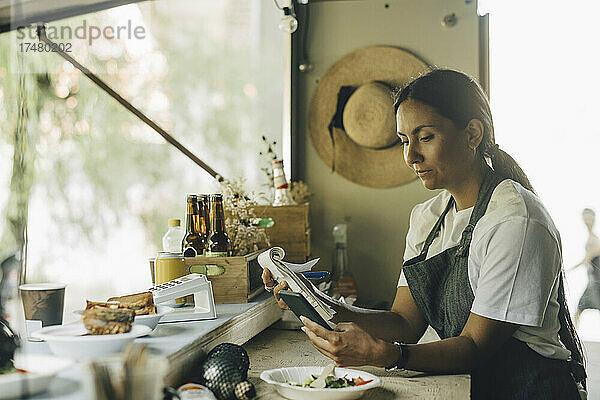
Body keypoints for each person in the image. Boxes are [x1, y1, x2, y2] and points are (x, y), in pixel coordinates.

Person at [262, 69, 587, 399]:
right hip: (475, 386)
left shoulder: (515, 221)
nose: (410, 156)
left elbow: (475, 345)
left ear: (473, 134)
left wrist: (387, 356)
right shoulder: (427, 218)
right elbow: (404, 322)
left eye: (426, 137)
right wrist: (314, 301)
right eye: (404, 140)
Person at [570, 208, 600, 327]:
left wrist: (569, 269)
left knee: (581, 308)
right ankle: (573, 336)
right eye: (584, 216)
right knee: (579, 308)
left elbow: (588, 258)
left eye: (588, 217)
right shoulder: (591, 238)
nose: (586, 219)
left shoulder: (595, 240)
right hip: (592, 281)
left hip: (597, 282)